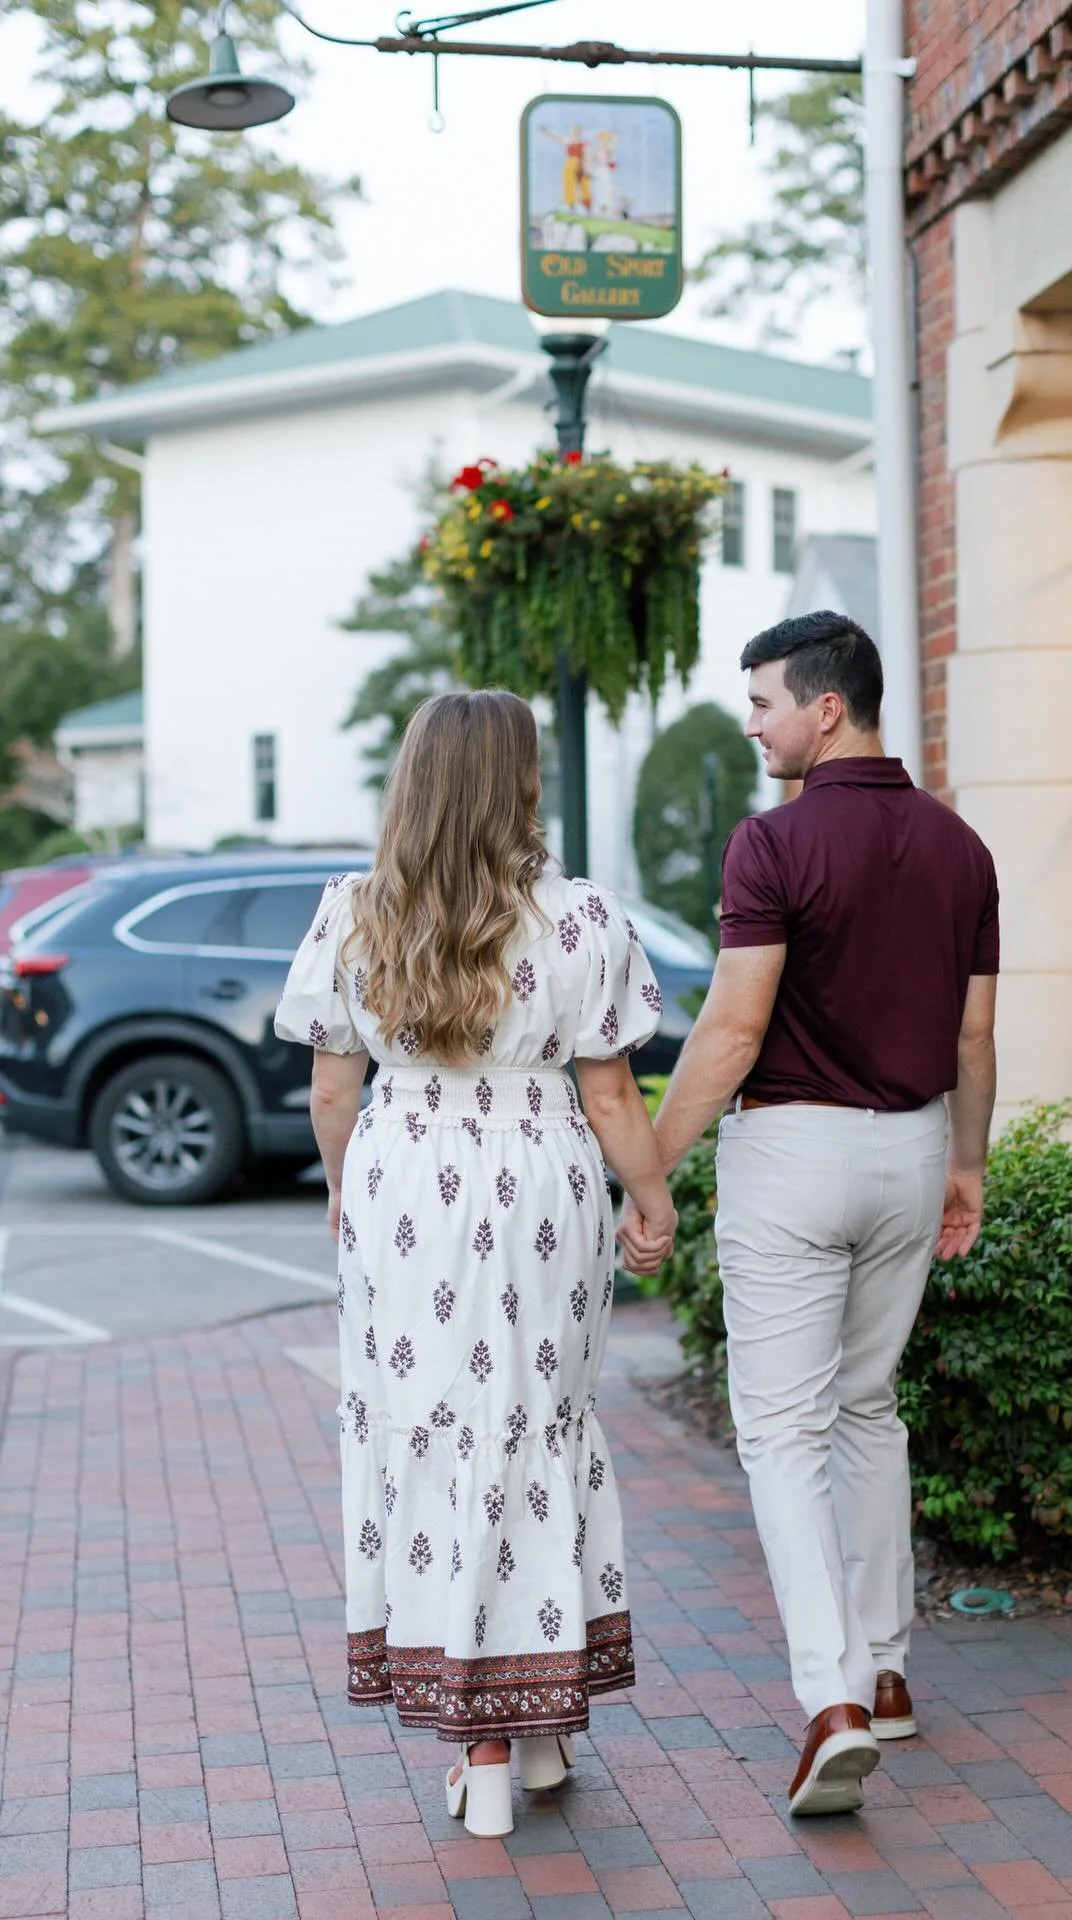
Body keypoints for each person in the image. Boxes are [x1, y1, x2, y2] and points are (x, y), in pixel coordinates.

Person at [275, 690, 676, 1838]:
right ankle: (534, 1727)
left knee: (434, 1429)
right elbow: (609, 1090)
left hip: (407, 1177)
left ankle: (487, 1741)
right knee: (534, 1425)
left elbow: (331, 1086)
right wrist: (651, 1199)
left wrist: (348, 1191)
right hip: (542, 1175)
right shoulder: (582, 916)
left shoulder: (355, 914)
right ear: (521, 784)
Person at [623, 611, 998, 1817]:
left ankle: (831, 1700)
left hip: (792, 1151)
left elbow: (732, 1030)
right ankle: (887, 1672)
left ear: (826, 707)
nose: (754, 725)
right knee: (866, 1408)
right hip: (915, 1146)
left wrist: (653, 1168)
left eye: (765, 704)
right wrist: (970, 1166)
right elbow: (975, 1036)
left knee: (782, 1433)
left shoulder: (771, 845)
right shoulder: (963, 848)